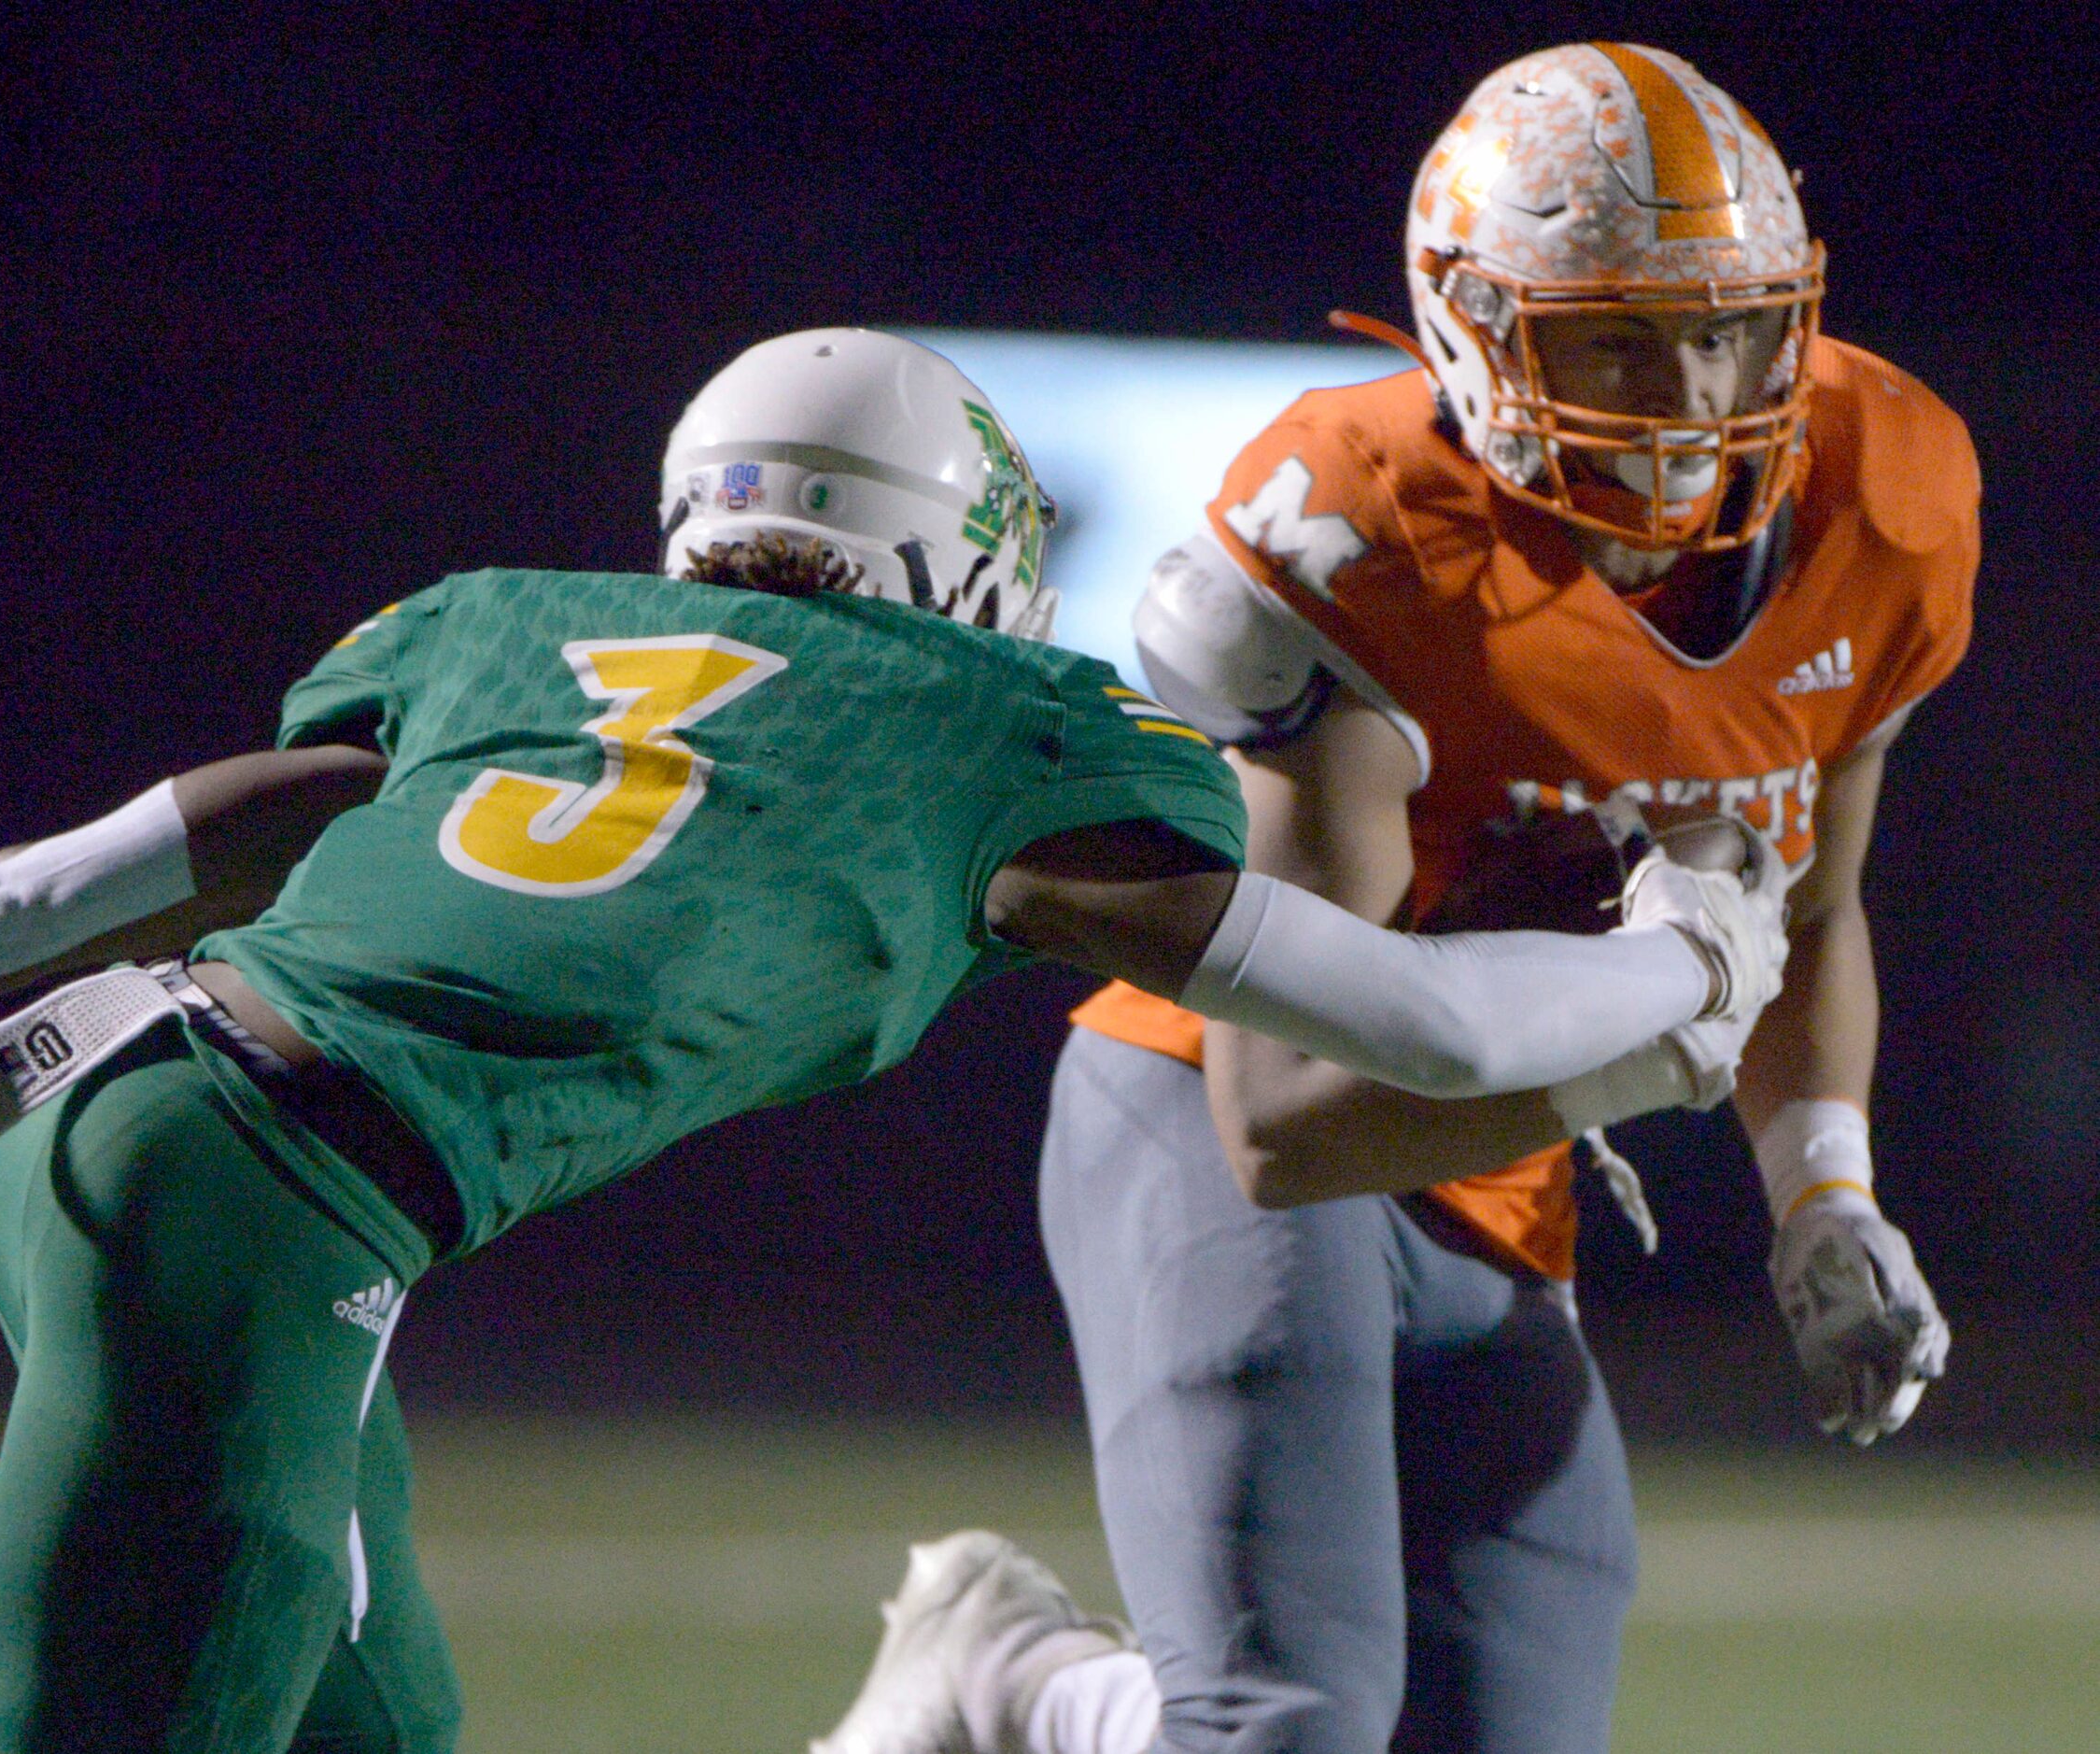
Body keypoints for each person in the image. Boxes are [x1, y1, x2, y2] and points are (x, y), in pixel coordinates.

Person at [0, 327, 1779, 1753]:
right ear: (961, 547)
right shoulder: (982, 719)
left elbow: (176, 844)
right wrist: (1686, 977)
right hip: (262, 1204)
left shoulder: (518, 624)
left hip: (134, 1118)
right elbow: (1427, 1028)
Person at [818, 41, 1977, 1754]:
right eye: (1614, 336)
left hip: (1498, 1174)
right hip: (1214, 1117)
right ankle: (1018, 1690)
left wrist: (1824, 1189)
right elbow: (1289, 1112)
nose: (1691, 389)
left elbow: (1803, 913)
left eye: (1728, 325)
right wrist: (1651, 1045)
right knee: (1282, 1722)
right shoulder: (1374, 531)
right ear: (1473, 327)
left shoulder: (1883, 495)